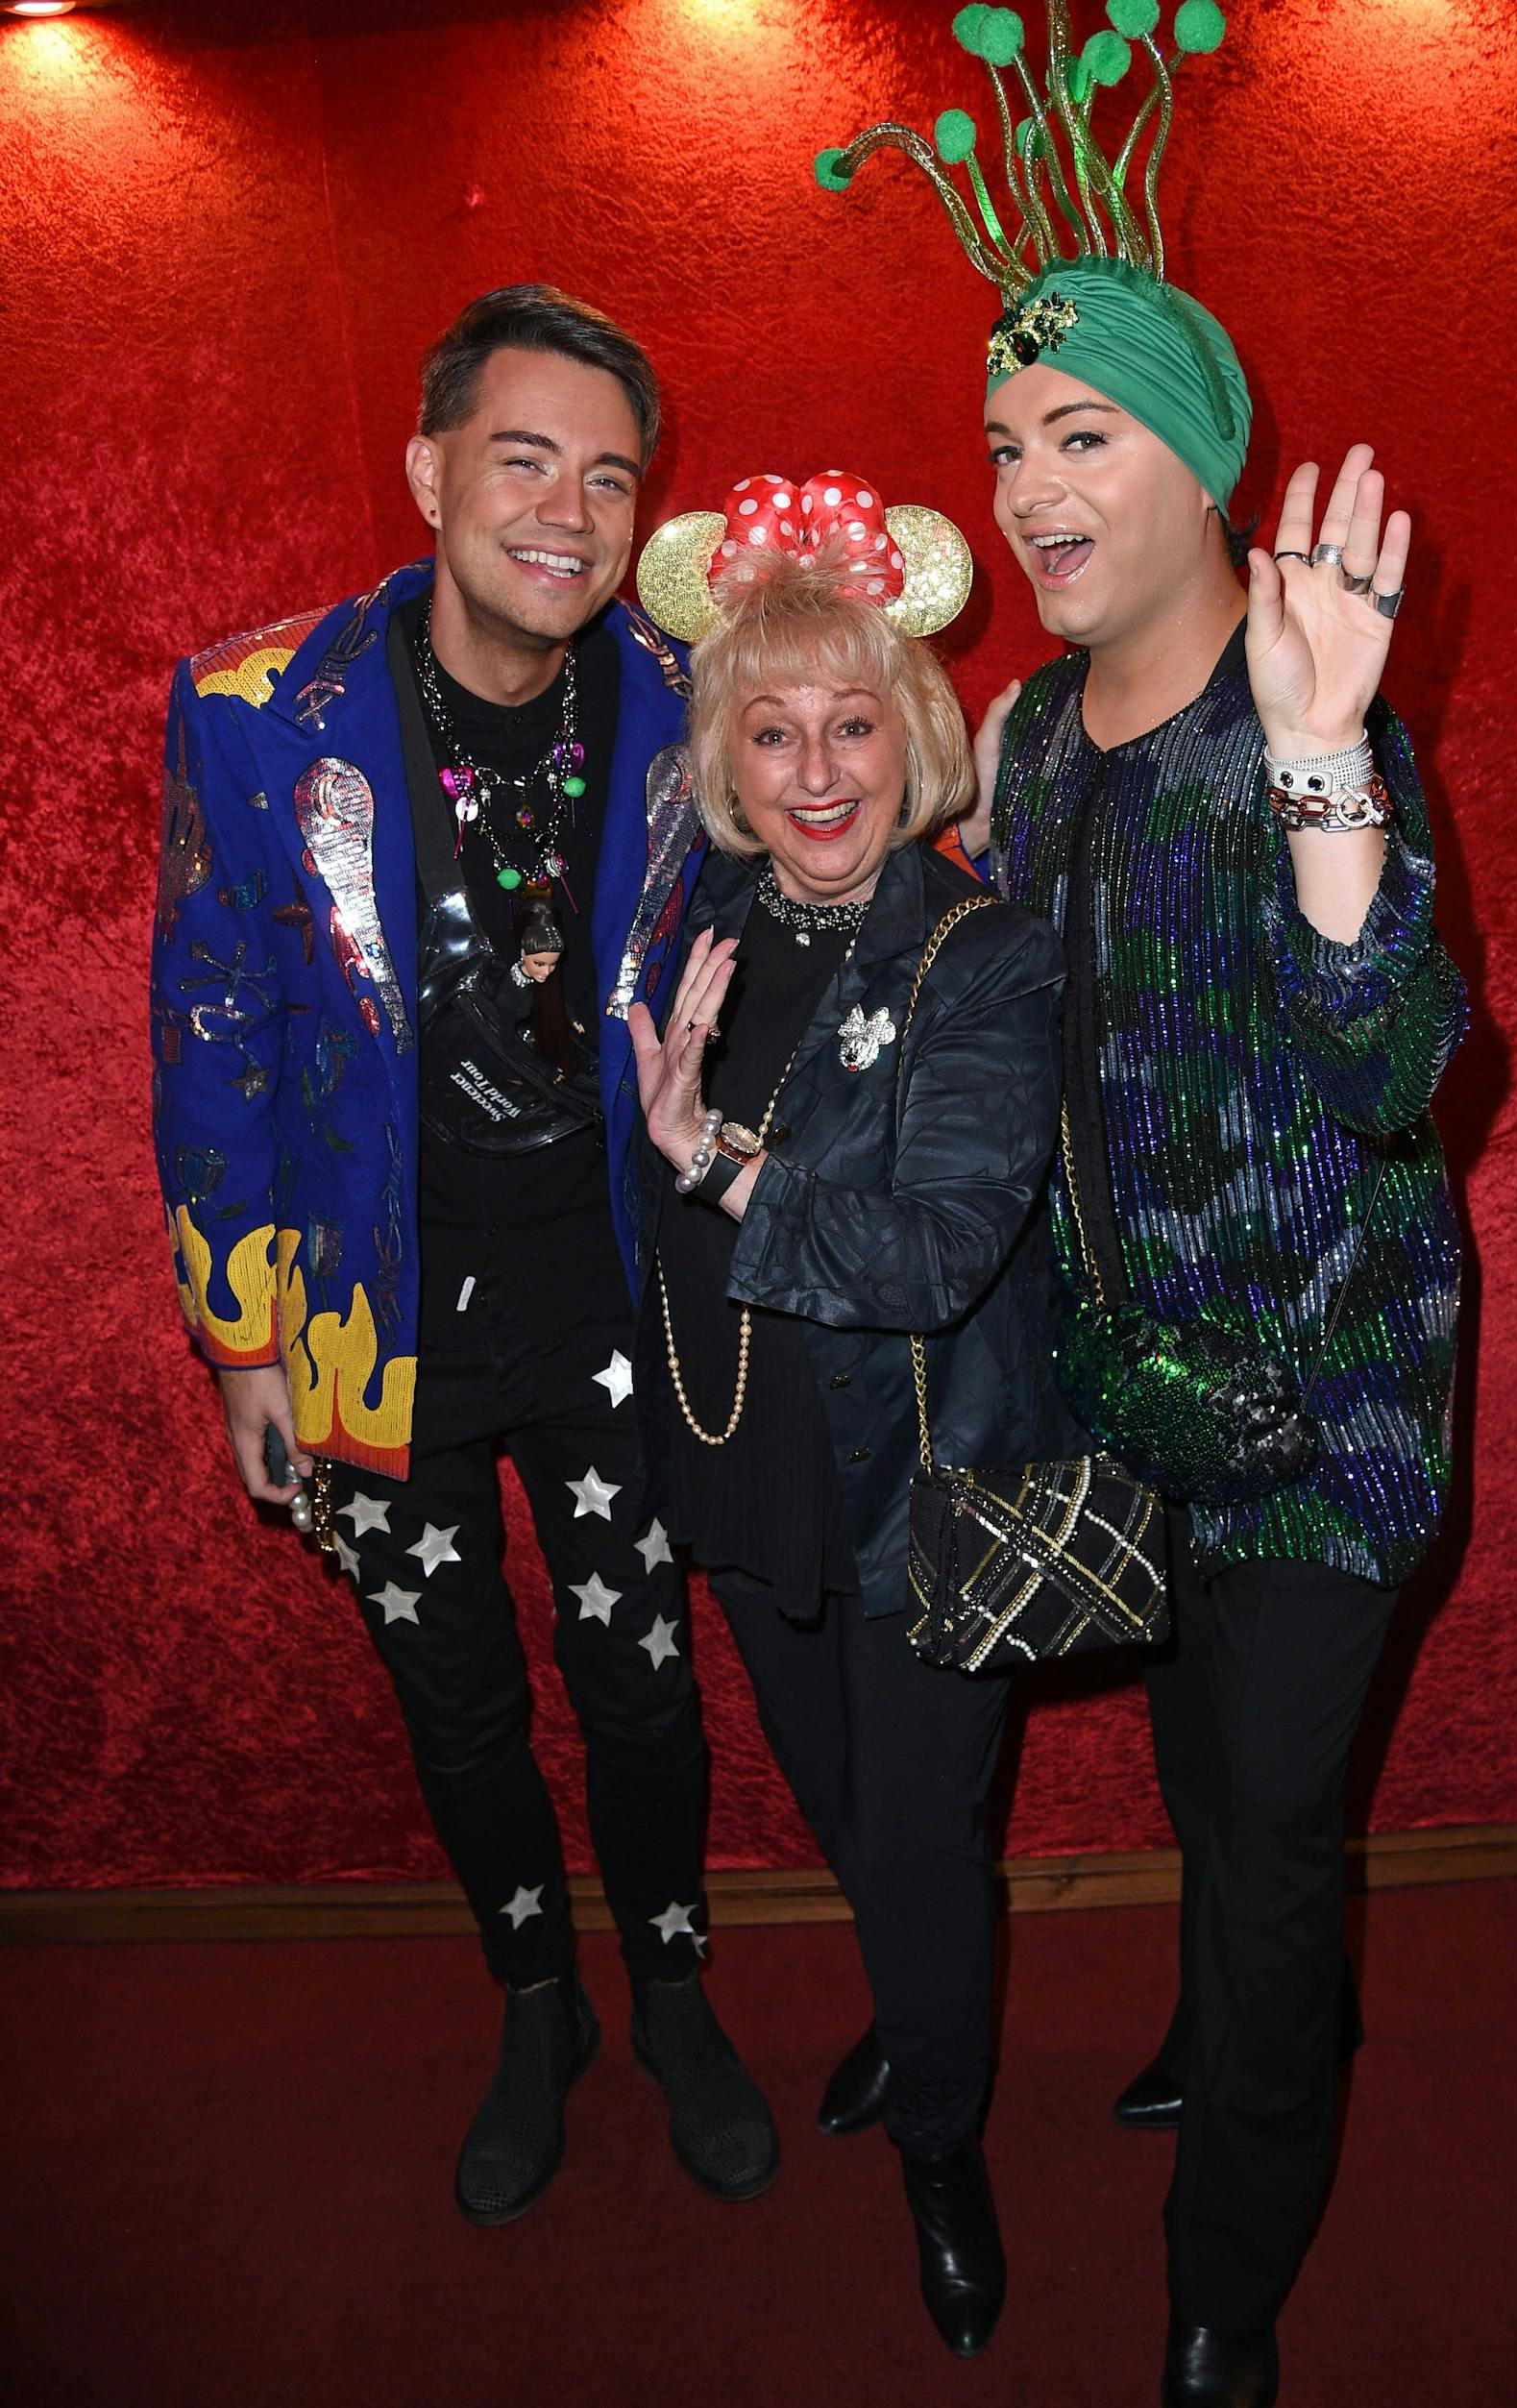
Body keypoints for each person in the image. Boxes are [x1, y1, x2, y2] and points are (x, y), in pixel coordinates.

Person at [819, 12, 1466, 2404]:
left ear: (1203, 464)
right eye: (1005, 444)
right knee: (1202, 1785)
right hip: (1119, 1389)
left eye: (1079, 433)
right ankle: (1207, 2019)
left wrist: (1318, 763)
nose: (1026, 485)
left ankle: (1231, 2272)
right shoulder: (1015, 741)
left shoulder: (1322, 719)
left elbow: (1398, 1061)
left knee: (1276, 1830)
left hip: (1325, 1408)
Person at [150, 283, 776, 2228]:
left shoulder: (692, 691)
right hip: (370, 1301)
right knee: (457, 1693)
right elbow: (212, 1015)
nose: (567, 513)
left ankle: (668, 1978)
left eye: (607, 476)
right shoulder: (259, 712)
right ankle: (537, 1996)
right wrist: (242, 1333)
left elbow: (836, 865)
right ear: (429, 468)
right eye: (524, 460)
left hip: (605, 1276)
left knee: (642, 1673)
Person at [626, 481, 1073, 2358]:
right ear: (726, 750)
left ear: (917, 727)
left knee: (918, 1847)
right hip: (742, 1466)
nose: (818, 770)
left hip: (923, 1497)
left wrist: (719, 1153)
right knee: (838, 1810)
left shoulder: (977, 956)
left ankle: (944, 2144)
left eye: (855, 718)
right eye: (773, 724)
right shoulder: (700, 905)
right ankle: (909, 2001)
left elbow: (936, 1246)